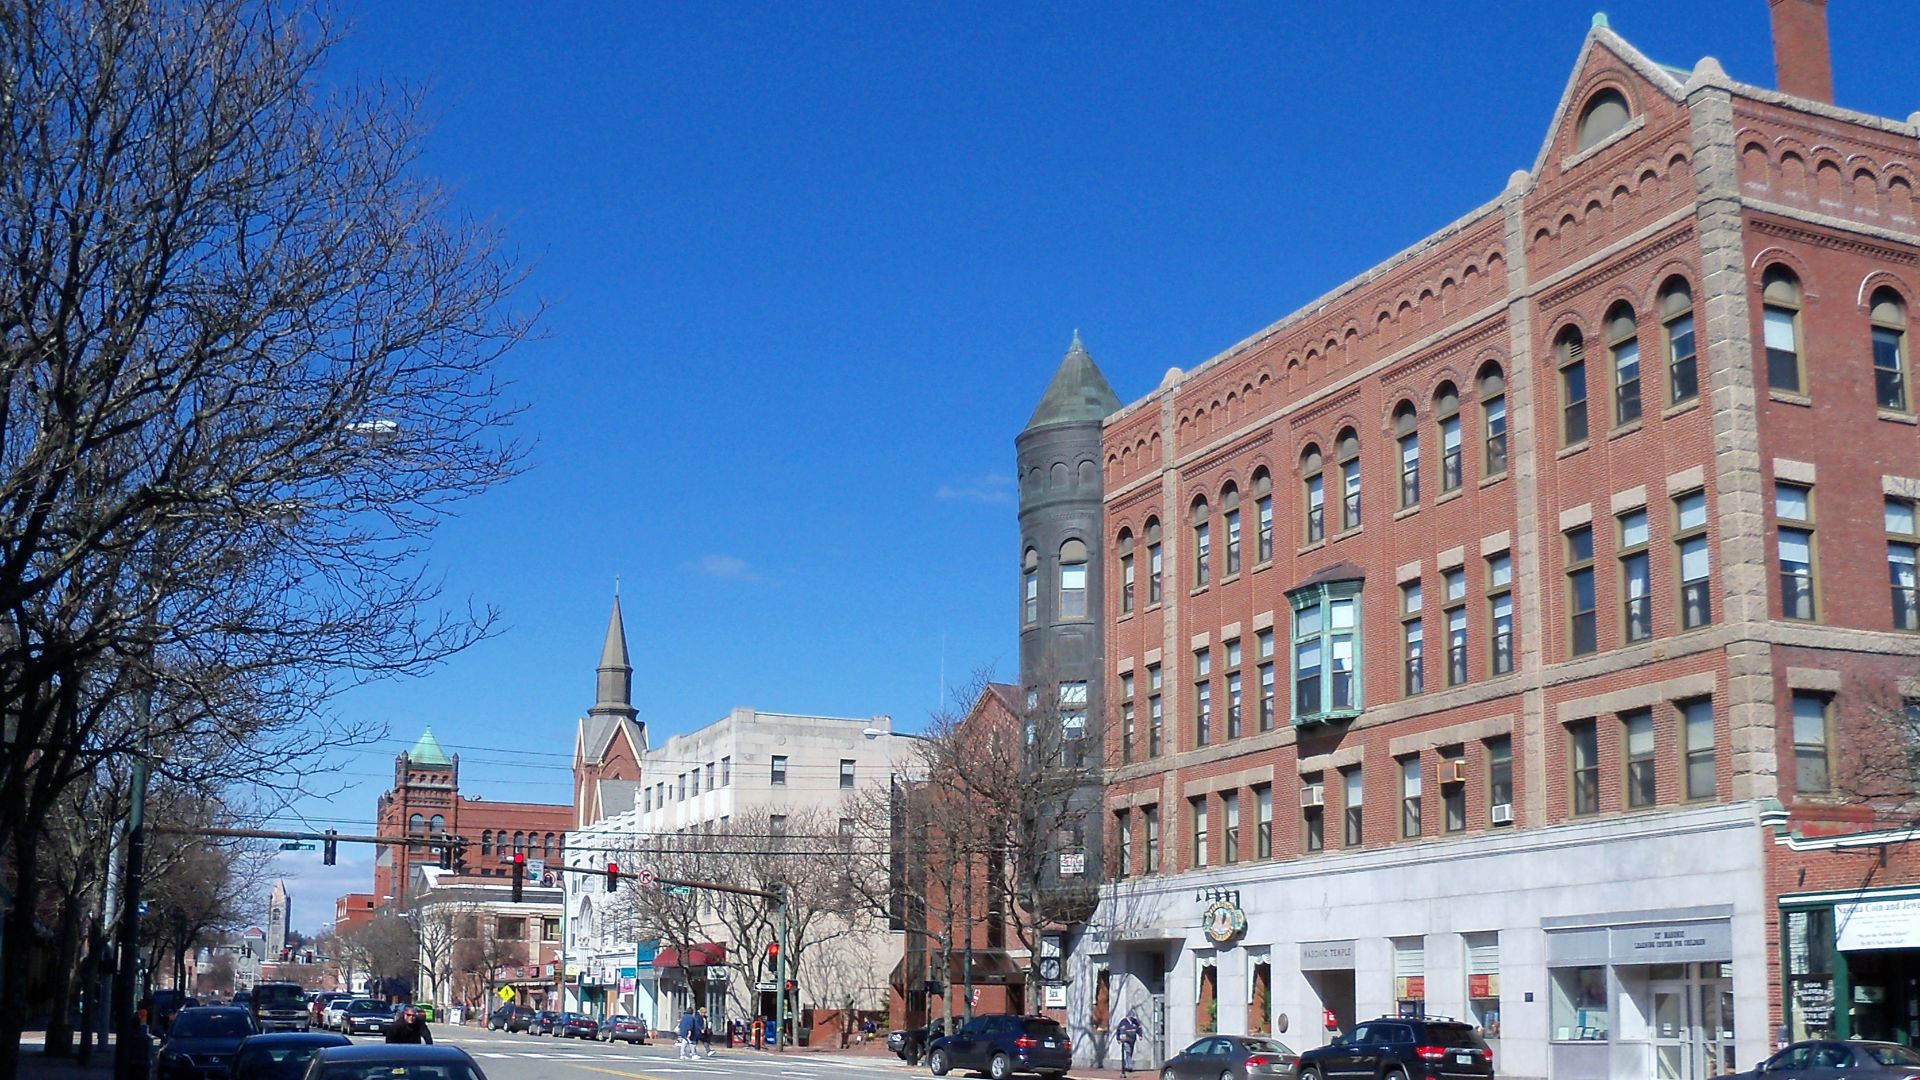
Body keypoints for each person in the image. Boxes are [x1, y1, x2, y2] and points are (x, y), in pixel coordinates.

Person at [1115, 1010, 1143, 1076]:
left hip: (1132, 1040)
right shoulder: (1123, 1022)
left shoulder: (1135, 1022)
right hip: (1126, 1040)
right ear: (1128, 1016)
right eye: (1130, 1017)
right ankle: (1129, 1066)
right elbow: (1118, 1030)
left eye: (1132, 1017)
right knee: (1128, 1052)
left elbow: (1139, 1028)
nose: (1132, 1018)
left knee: (1130, 1052)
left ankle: (1127, 1065)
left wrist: (1140, 1035)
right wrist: (1118, 1039)